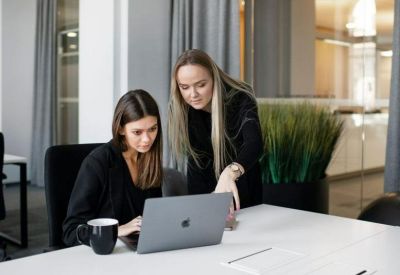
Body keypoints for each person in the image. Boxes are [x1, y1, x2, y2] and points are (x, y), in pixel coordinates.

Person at [63, 89, 163, 246]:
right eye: (137, 132)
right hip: (107, 253)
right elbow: (71, 231)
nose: (147, 139)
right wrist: (116, 229)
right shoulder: (97, 163)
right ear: (121, 129)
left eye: (152, 129)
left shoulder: (149, 159)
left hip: (140, 249)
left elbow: (155, 215)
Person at [168, 49, 263, 213]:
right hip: (207, 196)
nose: (193, 94)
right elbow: (196, 166)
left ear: (214, 78)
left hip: (246, 196)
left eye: (201, 85)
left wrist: (231, 172)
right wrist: (206, 204)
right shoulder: (184, 109)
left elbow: (254, 144)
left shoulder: (241, 98)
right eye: (184, 87)